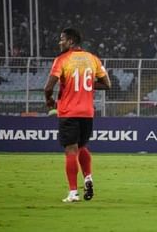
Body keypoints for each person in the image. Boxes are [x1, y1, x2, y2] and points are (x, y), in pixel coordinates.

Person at [44, 28, 111, 202]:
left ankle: (73, 192)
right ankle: (88, 177)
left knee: (70, 150)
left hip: (69, 111)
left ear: (71, 41)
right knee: (81, 147)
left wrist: (49, 101)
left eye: (62, 39)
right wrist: (87, 84)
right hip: (87, 113)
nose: (60, 42)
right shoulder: (93, 59)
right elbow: (107, 84)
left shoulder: (62, 60)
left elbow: (48, 87)